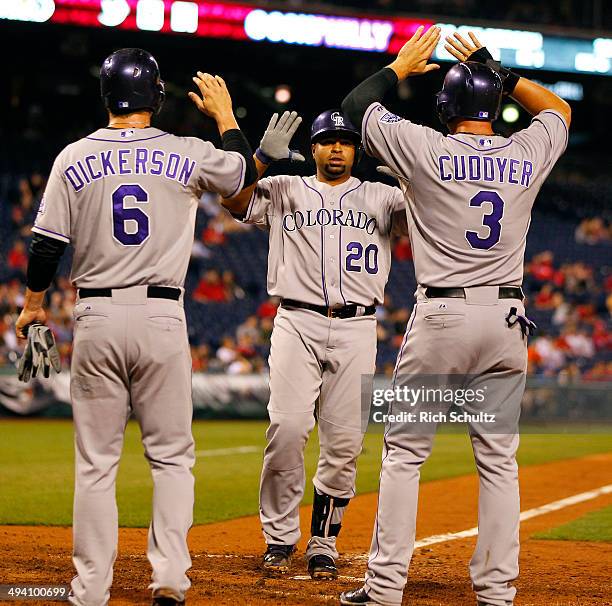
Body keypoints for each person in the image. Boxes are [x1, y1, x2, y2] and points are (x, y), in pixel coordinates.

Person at [15, 48, 257, 606]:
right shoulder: (186, 152)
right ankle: (170, 579)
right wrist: (225, 117)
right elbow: (242, 172)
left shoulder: (73, 156)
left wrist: (32, 305)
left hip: (96, 314)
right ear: (156, 98)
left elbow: (46, 244)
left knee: (96, 463)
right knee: (172, 457)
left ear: (106, 96)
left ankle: (91, 590)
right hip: (160, 314)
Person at [338, 26, 571, 606]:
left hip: (442, 319)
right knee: (497, 460)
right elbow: (559, 109)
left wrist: (399, 66)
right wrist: (502, 74)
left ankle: (385, 586)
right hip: (505, 325)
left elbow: (354, 108)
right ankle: (496, 591)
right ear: (494, 105)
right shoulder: (525, 151)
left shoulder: (426, 148)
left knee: (405, 454)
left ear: (444, 108)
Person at [223, 110, 407, 579]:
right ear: (314, 147)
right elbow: (235, 200)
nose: (337, 148)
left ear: (357, 149)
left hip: (358, 327)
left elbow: (440, 214)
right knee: (286, 429)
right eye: (327, 140)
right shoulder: (285, 188)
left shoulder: (383, 197)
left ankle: (324, 541)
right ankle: (279, 539)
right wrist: (261, 159)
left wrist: (414, 179)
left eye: (346, 140)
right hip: (296, 321)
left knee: (343, 443)